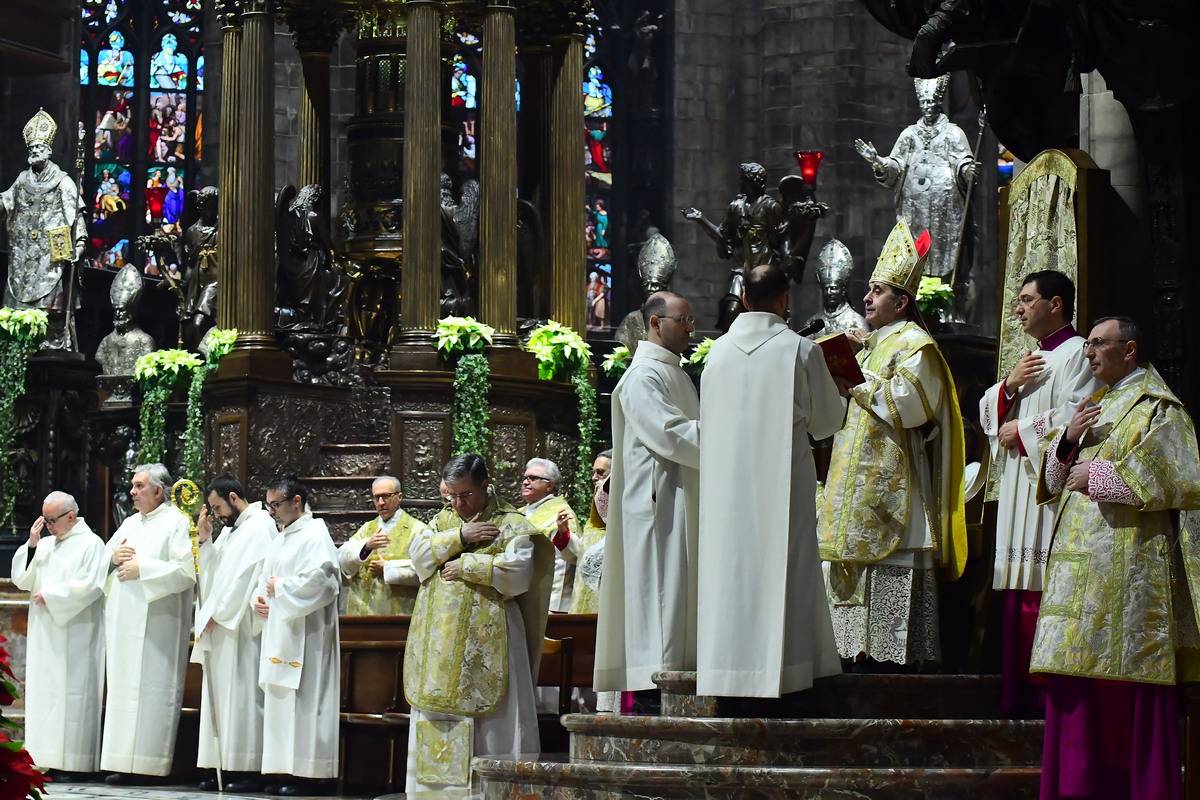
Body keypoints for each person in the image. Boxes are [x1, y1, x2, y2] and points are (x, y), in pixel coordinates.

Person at [1033, 317, 1200, 800]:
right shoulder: (1094, 406)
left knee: (1123, 689)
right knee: (1075, 685)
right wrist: (1066, 442)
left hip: (1127, 573)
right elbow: (1050, 483)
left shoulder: (1158, 408)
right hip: (1078, 573)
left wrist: (1103, 475)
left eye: (1098, 344)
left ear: (1129, 350)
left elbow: (1182, 477)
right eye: (1086, 345)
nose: (1088, 353)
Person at [818, 219, 967, 669]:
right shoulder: (870, 347)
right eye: (869, 288)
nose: (866, 297)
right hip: (853, 485)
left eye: (878, 290)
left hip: (892, 482)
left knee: (890, 596)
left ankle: (888, 668)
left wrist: (856, 380)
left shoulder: (915, 344)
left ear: (902, 302)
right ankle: (852, 659)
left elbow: (911, 405)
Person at [698, 266, 845, 697]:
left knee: (729, 571)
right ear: (784, 300)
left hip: (725, 490)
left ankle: (727, 671)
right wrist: (837, 390)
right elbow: (825, 424)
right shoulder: (800, 350)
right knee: (788, 567)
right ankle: (791, 672)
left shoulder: (717, 353)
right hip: (785, 484)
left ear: (743, 299)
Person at [978, 270, 1099, 712]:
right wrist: (1009, 386)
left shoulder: (1079, 353)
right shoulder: (1029, 360)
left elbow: (1079, 413)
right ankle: (1015, 697)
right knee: (1017, 587)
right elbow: (988, 413)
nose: (1018, 308)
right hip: (1018, 491)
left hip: (1047, 493)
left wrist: (1023, 429)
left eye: (1028, 300)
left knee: (1040, 588)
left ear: (1056, 305)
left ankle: (1043, 703)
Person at [402, 454, 552, 793]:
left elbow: (519, 575)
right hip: (441, 649)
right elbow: (419, 558)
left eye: (466, 495)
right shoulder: (443, 522)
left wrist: (467, 565)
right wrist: (461, 536)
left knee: (494, 722)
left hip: (491, 642)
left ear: (485, 485)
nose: (458, 503)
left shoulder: (511, 523)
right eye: (451, 496)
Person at [595, 291, 701, 693]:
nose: (691, 329)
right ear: (656, 323)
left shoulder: (672, 371)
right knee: (661, 595)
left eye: (691, 321)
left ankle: (677, 675)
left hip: (679, 499)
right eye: (683, 320)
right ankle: (653, 687)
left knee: (677, 595)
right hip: (659, 507)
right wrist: (729, 434)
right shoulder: (644, 376)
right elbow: (670, 435)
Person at [100, 463, 196, 783]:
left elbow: (186, 571)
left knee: (153, 691)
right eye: (132, 485)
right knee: (124, 689)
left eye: (139, 486)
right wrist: (112, 560)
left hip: (158, 625)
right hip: (124, 622)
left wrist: (145, 568)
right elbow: (103, 559)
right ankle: (122, 762)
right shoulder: (129, 522)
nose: (132, 492)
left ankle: (149, 766)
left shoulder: (178, 523)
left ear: (158, 490)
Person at [10, 491, 107, 780]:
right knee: (47, 693)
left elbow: (92, 585)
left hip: (76, 633)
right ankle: (46, 758)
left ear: (71, 516)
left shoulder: (92, 544)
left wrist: (53, 595)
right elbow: (22, 579)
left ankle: (74, 764)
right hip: (45, 632)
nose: (49, 525)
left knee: (72, 694)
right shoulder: (47, 544)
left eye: (52, 520)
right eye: (45, 519)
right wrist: (31, 544)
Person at [254, 476, 340, 795]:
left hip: (310, 635)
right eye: (268, 505)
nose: (271, 510)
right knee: (282, 700)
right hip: (281, 630)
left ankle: (311, 774)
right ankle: (283, 771)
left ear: (297, 502)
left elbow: (325, 581)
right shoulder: (281, 537)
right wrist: (260, 600)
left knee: (307, 701)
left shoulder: (315, 534)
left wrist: (281, 589)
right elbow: (264, 580)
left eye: (276, 504)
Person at [191, 476, 277, 792]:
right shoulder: (230, 531)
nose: (216, 514)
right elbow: (213, 574)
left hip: (241, 628)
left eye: (217, 507)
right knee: (220, 698)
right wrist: (205, 540)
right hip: (220, 626)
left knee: (241, 697)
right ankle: (221, 764)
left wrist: (219, 612)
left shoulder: (260, 527)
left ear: (233, 497)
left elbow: (250, 578)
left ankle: (245, 767)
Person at [0, 109, 88, 351]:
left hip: (53, 257)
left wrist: (78, 247)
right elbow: (5, 203)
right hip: (23, 261)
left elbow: (77, 217)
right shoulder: (21, 181)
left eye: (40, 147)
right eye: (32, 148)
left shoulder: (64, 182)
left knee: (53, 314)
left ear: (49, 151)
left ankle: (53, 348)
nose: (35, 150)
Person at [337, 476, 429, 616]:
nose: (381, 503)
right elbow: (342, 558)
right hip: (362, 613)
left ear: (399, 497)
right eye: (377, 497)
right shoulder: (367, 529)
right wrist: (365, 547)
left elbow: (427, 569)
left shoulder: (418, 530)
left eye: (386, 496)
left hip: (398, 613)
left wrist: (388, 568)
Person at [518, 458, 580, 613]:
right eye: (525, 478)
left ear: (549, 485)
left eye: (533, 478)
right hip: (521, 596)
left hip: (550, 604)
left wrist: (554, 605)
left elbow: (566, 562)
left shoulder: (562, 513)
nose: (526, 482)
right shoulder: (519, 513)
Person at [570, 450, 612, 615]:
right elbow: (583, 547)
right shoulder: (597, 502)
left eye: (600, 472)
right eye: (593, 472)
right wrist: (565, 534)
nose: (594, 477)